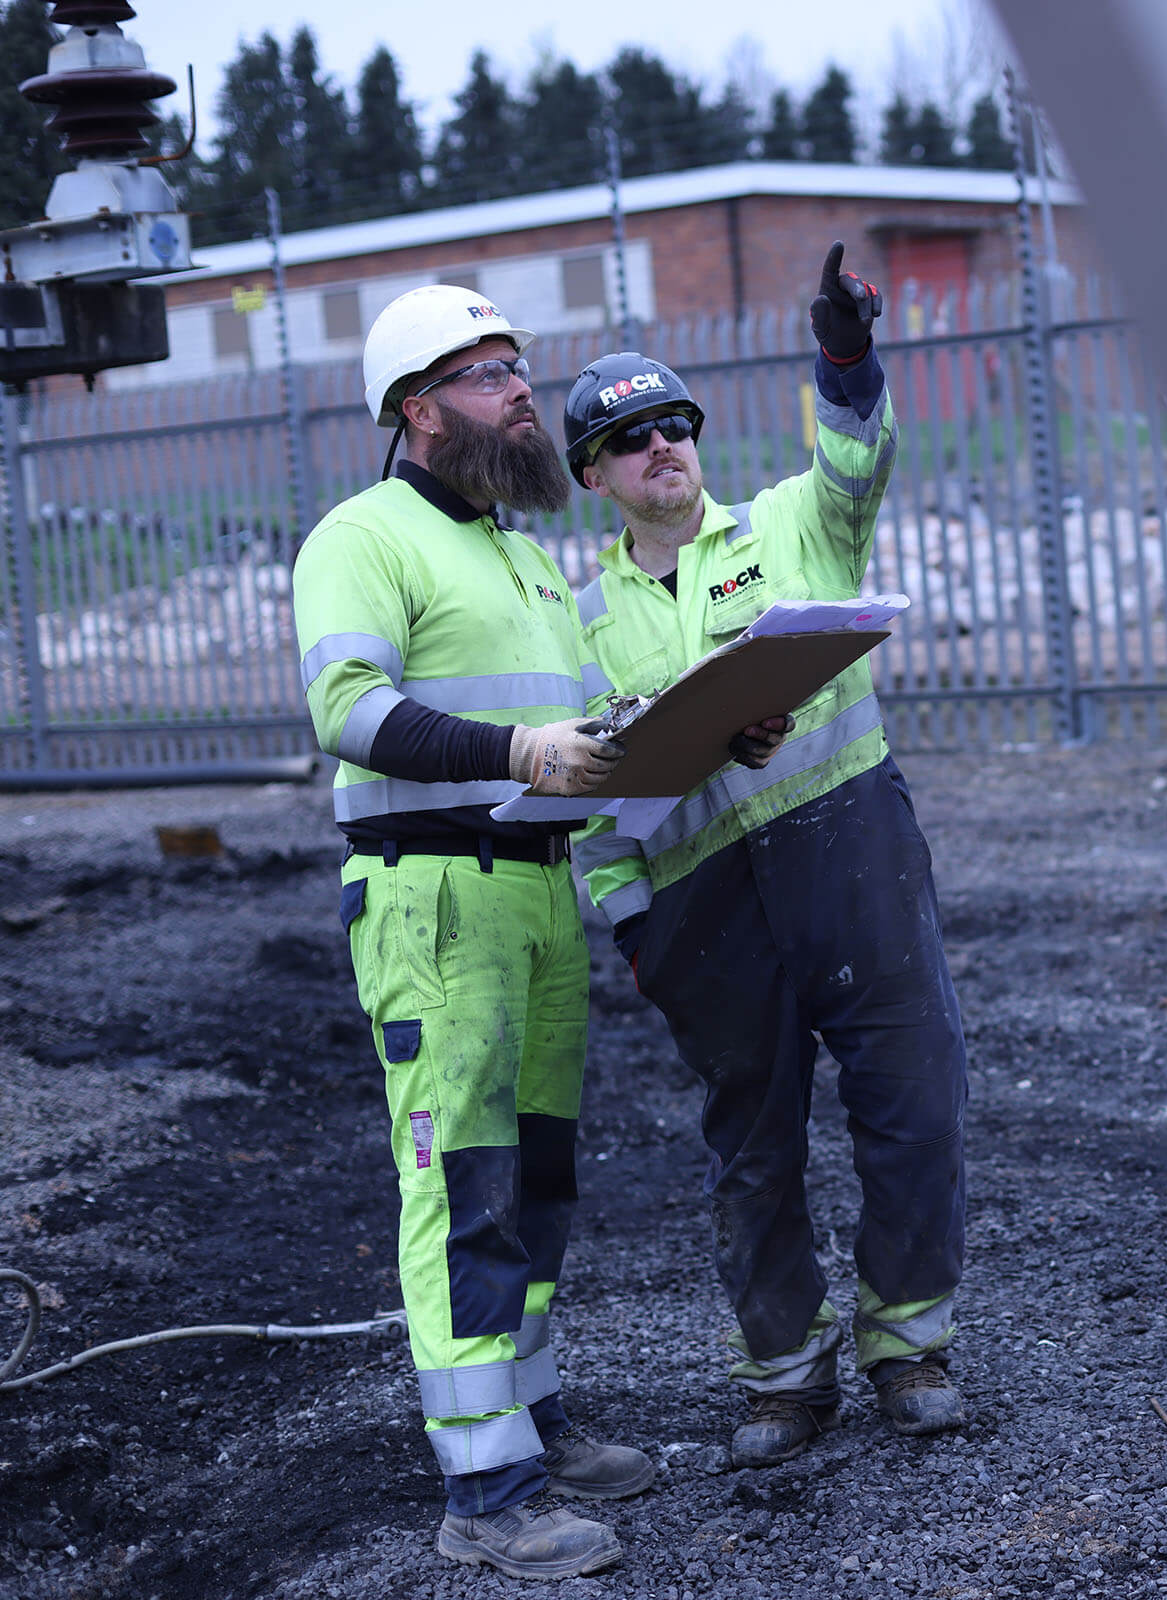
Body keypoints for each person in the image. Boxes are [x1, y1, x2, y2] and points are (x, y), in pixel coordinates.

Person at [564, 244, 969, 1467]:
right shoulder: (575, 622)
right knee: (753, 1148)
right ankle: (784, 1378)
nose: (661, 450)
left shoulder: (793, 524)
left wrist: (845, 358)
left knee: (914, 1102)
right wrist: (634, 927)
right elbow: (590, 802)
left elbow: (861, 459)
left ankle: (909, 1345)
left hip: (851, 853)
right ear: (595, 474)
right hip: (705, 910)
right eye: (632, 441)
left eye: (675, 426)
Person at [291, 283, 652, 1581]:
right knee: (465, 1186)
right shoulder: (364, 536)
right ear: (417, 407)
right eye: (489, 371)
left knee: (537, 1179)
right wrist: (521, 748)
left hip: (534, 896)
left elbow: (568, 738)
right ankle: (485, 1494)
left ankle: (533, 1421)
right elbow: (347, 707)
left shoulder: (517, 550)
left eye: (516, 365)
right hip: (433, 898)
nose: (519, 390)